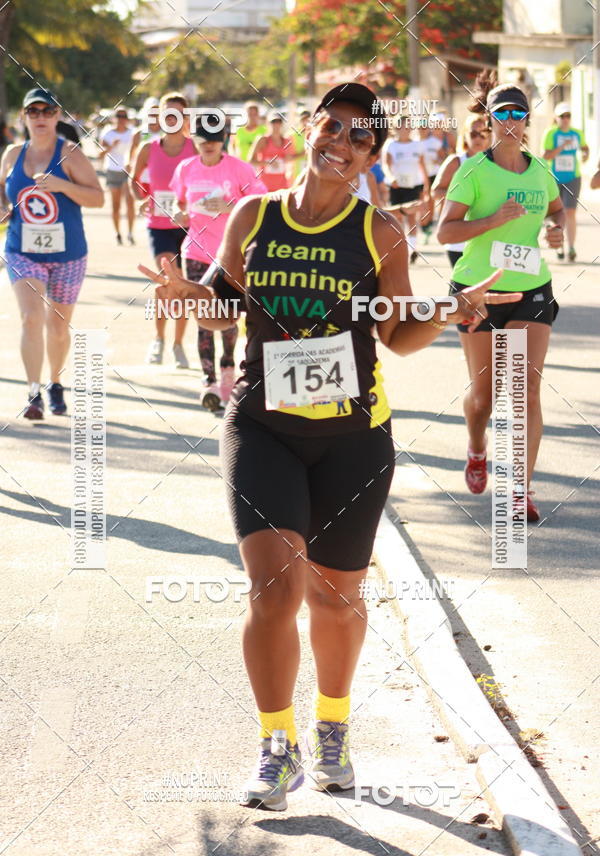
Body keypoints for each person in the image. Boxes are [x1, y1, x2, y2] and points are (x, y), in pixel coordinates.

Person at [141, 82, 521, 812]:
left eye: (357, 138)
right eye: (331, 128)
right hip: (263, 428)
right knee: (274, 589)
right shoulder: (256, 215)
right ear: (308, 130)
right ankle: (276, 747)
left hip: (353, 437)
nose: (339, 144)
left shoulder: (381, 233)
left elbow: (395, 335)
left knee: (337, 599)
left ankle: (333, 729)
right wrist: (189, 298)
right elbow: (226, 310)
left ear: (370, 154)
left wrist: (446, 312)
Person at [438, 75, 565, 522]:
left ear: (527, 119)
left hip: (532, 287)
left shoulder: (540, 168)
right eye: (501, 113)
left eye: (517, 113)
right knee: (486, 396)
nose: (510, 121)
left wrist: (556, 230)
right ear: (488, 118)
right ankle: (476, 446)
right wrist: (491, 220)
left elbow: (556, 210)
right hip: (479, 291)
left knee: (526, 389)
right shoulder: (473, 170)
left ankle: (519, 490)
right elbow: (445, 231)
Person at [0, 87, 103, 420]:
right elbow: (4, 194)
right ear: (24, 117)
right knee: (31, 318)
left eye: (48, 111)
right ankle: (34, 392)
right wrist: (4, 208)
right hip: (22, 250)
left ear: (58, 115)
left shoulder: (70, 153)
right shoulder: (13, 155)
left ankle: (55, 382)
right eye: (34, 111)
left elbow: (97, 198)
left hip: (68, 254)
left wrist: (63, 186)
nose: (41, 117)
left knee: (58, 327)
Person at [168, 112, 266, 409]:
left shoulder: (240, 170)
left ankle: (227, 371)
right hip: (195, 252)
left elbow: (262, 204)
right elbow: (178, 200)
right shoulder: (186, 168)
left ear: (224, 139)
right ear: (194, 141)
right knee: (202, 318)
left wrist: (229, 205)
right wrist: (178, 212)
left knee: (229, 317)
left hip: (229, 255)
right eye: (203, 139)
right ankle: (208, 381)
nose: (209, 145)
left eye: (214, 139)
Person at [132, 92, 197, 367]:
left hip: (188, 226)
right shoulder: (148, 149)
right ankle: (158, 339)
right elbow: (134, 182)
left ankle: (178, 344)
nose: (172, 117)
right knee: (165, 277)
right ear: (159, 116)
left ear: (185, 118)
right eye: (167, 113)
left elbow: (209, 181)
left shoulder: (196, 148)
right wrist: (142, 197)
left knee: (181, 284)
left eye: (177, 113)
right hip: (159, 225)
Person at [432, 113, 491, 266]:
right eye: (473, 133)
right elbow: (436, 192)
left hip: (486, 237)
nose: (478, 138)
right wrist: (463, 197)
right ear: (465, 136)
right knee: (462, 287)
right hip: (459, 238)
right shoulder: (456, 161)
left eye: (483, 133)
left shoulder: (494, 164)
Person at [542, 102, 589, 262]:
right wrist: (561, 147)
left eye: (568, 116)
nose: (565, 119)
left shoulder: (577, 133)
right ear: (556, 118)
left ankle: (571, 248)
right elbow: (546, 156)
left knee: (570, 212)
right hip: (554, 177)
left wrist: (584, 155)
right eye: (562, 116)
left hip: (573, 177)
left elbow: (585, 147)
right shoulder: (551, 133)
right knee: (556, 213)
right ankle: (559, 247)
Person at [382, 116, 429, 262]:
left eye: (409, 127)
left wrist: (427, 186)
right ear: (397, 128)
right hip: (396, 186)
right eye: (404, 127)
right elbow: (386, 165)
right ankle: (396, 246)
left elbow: (422, 166)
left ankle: (412, 250)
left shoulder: (418, 145)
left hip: (413, 185)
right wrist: (391, 178)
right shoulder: (391, 145)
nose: (407, 130)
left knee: (411, 217)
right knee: (396, 217)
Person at [99, 107, 135, 245]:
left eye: (124, 116)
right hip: (113, 170)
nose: (121, 119)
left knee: (130, 203)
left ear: (127, 118)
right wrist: (110, 146)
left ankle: (130, 233)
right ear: (114, 118)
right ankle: (118, 233)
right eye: (118, 116)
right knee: (116, 205)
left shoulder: (133, 133)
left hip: (128, 171)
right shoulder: (108, 133)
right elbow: (100, 154)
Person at [248, 111, 294, 191]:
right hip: (264, 185)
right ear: (268, 124)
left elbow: (289, 159)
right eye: (273, 122)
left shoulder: (286, 140)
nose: (276, 124)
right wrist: (268, 163)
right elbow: (251, 161)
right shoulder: (263, 140)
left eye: (278, 122)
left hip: (282, 185)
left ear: (281, 124)